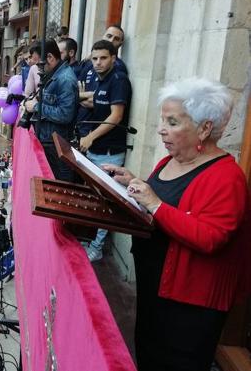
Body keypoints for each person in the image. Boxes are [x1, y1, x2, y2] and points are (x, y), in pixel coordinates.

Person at [104, 78, 250, 371]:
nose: (161, 130)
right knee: (148, 356)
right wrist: (134, 182)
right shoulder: (172, 160)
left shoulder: (226, 177)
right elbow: (169, 201)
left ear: (205, 128)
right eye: (163, 121)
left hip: (188, 307)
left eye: (172, 122)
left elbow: (212, 237)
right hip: (154, 291)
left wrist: (154, 204)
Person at [80, 40, 132, 262]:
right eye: (94, 59)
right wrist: (82, 98)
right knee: (95, 197)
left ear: (113, 58)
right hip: (97, 149)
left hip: (109, 152)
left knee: (104, 202)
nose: (98, 63)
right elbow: (99, 103)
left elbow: (116, 115)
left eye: (103, 58)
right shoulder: (102, 80)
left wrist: (90, 137)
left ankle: (98, 247)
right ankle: (91, 239)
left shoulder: (118, 80)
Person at [24, 39, 78, 182]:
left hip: (57, 147)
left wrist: (36, 107)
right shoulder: (53, 75)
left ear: (50, 57)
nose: (37, 69)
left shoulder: (65, 79)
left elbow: (65, 114)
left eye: (39, 64)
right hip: (49, 143)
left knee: (59, 186)